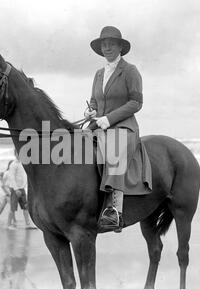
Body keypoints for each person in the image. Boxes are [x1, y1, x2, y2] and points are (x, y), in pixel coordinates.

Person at [85, 26, 144, 232]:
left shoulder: (130, 71)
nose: (107, 47)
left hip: (123, 127)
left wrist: (108, 119)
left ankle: (114, 211)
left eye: (111, 43)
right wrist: (91, 111)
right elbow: (94, 100)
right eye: (104, 44)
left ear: (120, 47)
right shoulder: (99, 74)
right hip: (99, 124)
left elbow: (136, 102)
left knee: (115, 150)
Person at [6, 150, 34, 230]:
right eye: (17, 153)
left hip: (22, 189)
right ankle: (8, 225)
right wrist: (16, 189)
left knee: (25, 207)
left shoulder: (23, 163)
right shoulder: (13, 164)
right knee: (13, 207)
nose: (19, 155)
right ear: (15, 154)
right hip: (15, 189)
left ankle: (28, 224)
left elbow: (24, 176)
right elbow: (11, 177)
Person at [0, 160, 17, 227]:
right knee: (12, 206)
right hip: (6, 192)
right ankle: (13, 222)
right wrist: (8, 193)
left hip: (10, 192)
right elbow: (3, 185)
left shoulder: (13, 173)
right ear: (9, 166)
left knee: (3, 207)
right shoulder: (7, 173)